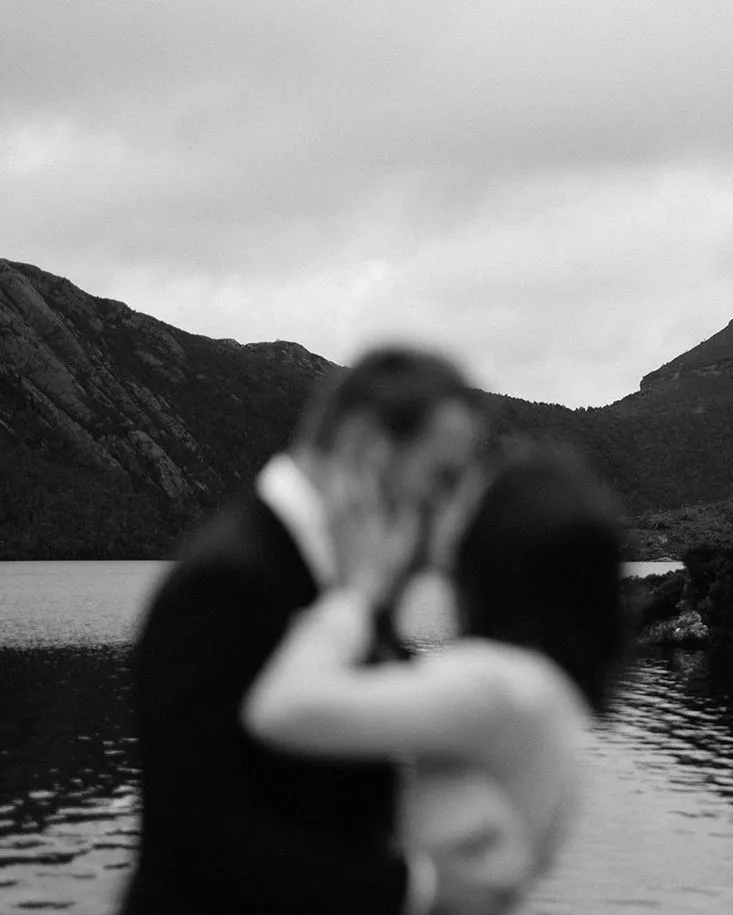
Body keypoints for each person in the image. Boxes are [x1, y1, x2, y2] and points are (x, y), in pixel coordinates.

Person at [121, 347, 486, 915]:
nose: (447, 512)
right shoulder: (223, 584)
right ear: (368, 448)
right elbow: (198, 846)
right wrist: (425, 890)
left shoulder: (349, 582)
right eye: (441, 477)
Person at [242, 445, 628, 915]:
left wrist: (357, 592)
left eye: (465, 509)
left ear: (497, 544)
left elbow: (281, 708)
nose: (444, 516)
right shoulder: (551, 689)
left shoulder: (496, 684)